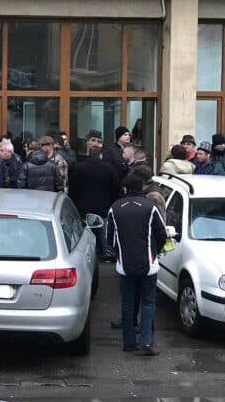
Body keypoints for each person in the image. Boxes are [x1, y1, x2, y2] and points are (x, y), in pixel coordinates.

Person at [106, 174, 166, 356]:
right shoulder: (150, 207)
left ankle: (129, 343)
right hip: (148, 264)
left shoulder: (115, 208)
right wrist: (154, 251)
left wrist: (119, 253)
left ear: (126, 189)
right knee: (148, 303)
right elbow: (162, 234)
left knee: (127, 303)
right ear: (142, 188)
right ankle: (146, 343)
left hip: (125, 265)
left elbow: (109, 237)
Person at [68, 148, 120, 261]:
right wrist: (112, 200)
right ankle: (108, 253)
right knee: (104, 229)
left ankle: (85, 252)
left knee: (85, 230)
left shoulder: (78, 167)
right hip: (104, 204)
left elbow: (73, 187)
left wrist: (74, 202)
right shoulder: (109, 168)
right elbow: (116, 186)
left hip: (83, 205)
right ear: (100, 155)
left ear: (88, 154)